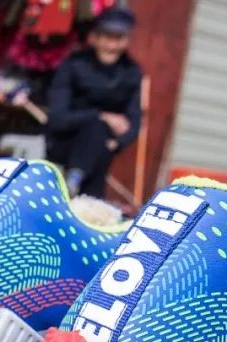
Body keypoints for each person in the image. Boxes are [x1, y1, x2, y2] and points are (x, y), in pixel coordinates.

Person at [45, 7, 142, 198]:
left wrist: (118, 142)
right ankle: (73, 179)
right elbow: (56, 118)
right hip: (64, 144)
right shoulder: (73, 65)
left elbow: (134, 119)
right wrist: (101, 116)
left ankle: (75, 180)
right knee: (96, 126)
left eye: (119, 38)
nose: (112, 46)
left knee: (98, 135)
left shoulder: (131, 72)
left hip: (102, 150)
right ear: (95, 37)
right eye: (107, 37)